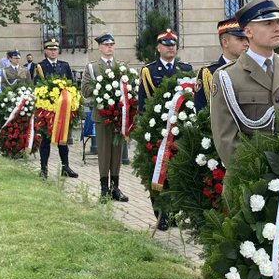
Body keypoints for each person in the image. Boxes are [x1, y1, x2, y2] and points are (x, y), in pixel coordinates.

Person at [209, 0, 279, 166]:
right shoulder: (228, 76)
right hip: (249, 182)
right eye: (268, 23)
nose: (277, 28)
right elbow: (226, 141)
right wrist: (264, 176)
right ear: (248, 31)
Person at [139, 29, 192, 229]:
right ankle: (162, 215)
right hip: (158, 130)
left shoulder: (185, 69)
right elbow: (143, 104)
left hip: (179, 130)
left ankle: (175, 214)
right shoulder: (149, 71)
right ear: (158, 48)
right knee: (157, 171)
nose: (171, 48)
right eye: (166, 45)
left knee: (176, 172)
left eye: (173, 45)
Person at [81, 33, 130, 203]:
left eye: (112, 45)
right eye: (106, 45)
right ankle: (104, 188)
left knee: (117, 152)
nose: (110, 47)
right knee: (104, 151)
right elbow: (85, 90)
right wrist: (102, 89)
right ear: (100, 47)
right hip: (102, 115)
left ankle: (115, 187)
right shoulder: (92, 68)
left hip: (118, 115)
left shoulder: (122, 67)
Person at [32, 39, 78, 179]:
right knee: (45, 140)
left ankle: (65, 167)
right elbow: (37, 86)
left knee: (63, 140)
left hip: (63, 109)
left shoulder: (64, 66)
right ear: (45, 51)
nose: (53, 51)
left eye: (55, 49)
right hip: (47, 110)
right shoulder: (40, 66)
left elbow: (72, 84)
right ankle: (44, 168)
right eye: (50, 49)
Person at [194, 17, 249, 111]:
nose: (246, 43)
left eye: (247, 39)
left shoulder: (252, 69)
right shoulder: (209, 73)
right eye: (240, 39)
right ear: (225, 42)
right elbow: (201, 113)